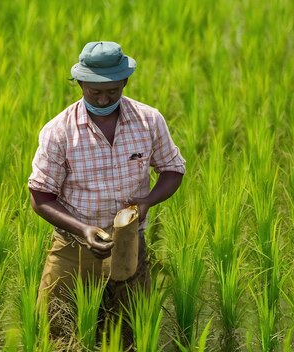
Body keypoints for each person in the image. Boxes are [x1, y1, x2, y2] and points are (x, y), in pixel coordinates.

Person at [28, 41, 186, 349]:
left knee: (129, 334)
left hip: (129, 247)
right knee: (59, 333)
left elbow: (172, 168)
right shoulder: (59, 131)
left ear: (125, 81)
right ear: (81, 83)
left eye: (112, 91)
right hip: (74, 249)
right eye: (94, 91)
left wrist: (147, 200)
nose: (103, 99)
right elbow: (40, 196)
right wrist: (83, 229)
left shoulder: (149, 121)